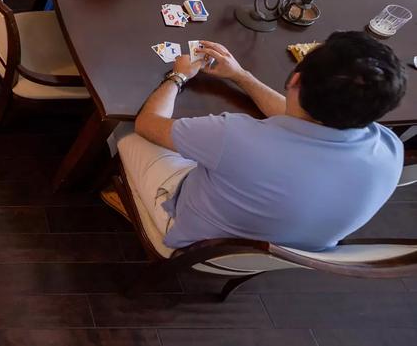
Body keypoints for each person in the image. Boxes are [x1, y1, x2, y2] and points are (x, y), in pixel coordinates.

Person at [119, 32, 405, 251]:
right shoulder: (390, 147)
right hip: (285, 253)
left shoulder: (233, 135)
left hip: (196, 240)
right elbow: (299, 116)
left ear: (295, 80)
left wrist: (179, 75)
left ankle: (126, 198)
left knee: (130, 136)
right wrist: (240, 76)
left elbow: (148, 124)